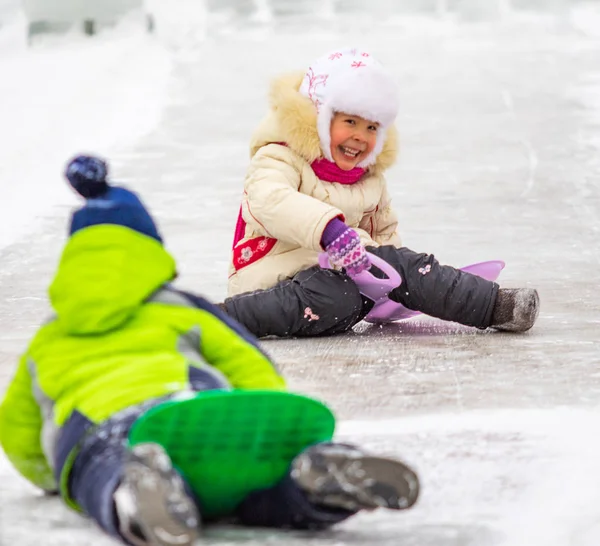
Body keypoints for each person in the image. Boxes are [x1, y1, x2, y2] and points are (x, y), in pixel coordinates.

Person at [0, 155, 419, 546]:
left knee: (102, 471)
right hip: (189, 412)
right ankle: (315, 471)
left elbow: (17, 430)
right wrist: (263, 420)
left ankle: (133, 487)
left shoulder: (48, 339)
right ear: (150, 250)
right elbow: (246, 360)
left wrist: (52, 477)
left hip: (104, 429)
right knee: (258, 488)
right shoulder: (182, 308)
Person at [222, 47, 540, 339]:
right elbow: (271, 201)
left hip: (340, 279)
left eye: (372, 128)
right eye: (350, 121)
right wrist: (330, 232)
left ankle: (496, 305)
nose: (360, 137)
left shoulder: (368, 176)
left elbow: (383, 235)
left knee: (403, 269)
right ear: (318, 116)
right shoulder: (278, 157)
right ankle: (223, 318)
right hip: (273, 282)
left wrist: (394, 285)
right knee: (337, 297)